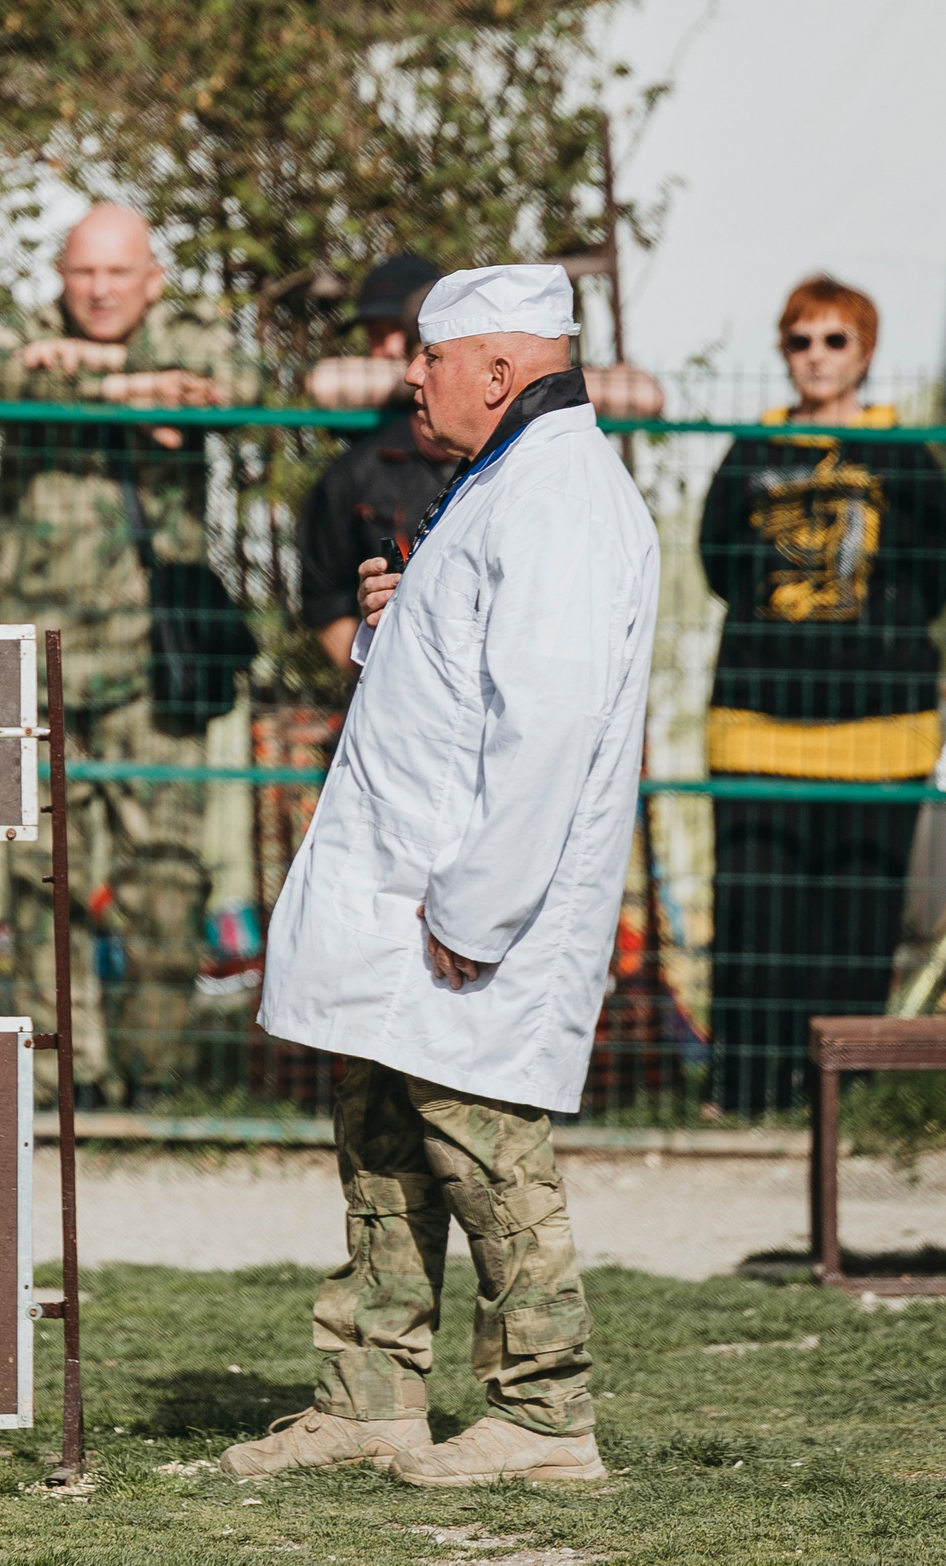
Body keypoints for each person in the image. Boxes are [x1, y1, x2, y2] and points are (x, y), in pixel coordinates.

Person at [230, 265, 658, 1487]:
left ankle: (544, 1417)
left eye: (427, 356)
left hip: (467, 898)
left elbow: (550, 722)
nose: (407, 375)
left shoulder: (561, 499)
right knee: (378, 1132)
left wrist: (482, 905)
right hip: (410, 888)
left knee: (483, 1147)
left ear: (496, 371)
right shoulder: (503, 479)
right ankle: (368, 1395)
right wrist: (390, 614)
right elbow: (465, 662)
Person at [0, 205, 263, 1102]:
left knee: (164, 875)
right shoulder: (27, 334)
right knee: (40, 875)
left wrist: (93, 373)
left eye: (117, 275)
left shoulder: (193, 333)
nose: (97, 291)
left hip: (150, 665)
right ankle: (66, 1075)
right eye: (83, 274)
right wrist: (138, 385)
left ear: (152, 279)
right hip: (36, 655)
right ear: (63, 276)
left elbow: (240, 384)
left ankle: (159, 1079)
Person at [699, 276, 946, 1119]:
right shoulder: (749, 451)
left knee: (857, 915)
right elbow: (716, 561)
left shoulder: (904, 453)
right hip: (758, 727)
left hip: (879, 730)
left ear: (866, 351)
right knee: (755, 914)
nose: (816, 357)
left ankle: (842, 1096)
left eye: (834, 340)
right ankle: (746, 1090)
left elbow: (941, 568)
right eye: (800, 341)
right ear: (783, 353)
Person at [297, 254, 457, 675]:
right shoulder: (356, 468)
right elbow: (324, 597)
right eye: (376, 336)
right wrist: (379, 677)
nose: (385, 351)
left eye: (399, 333)